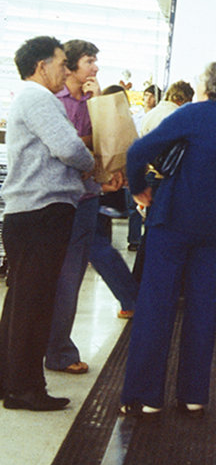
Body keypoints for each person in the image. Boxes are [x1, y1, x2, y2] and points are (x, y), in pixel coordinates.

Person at [120, 61, 216, 417]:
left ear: (208, 86)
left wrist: (139, 190)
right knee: (202, 306)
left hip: (174, 218)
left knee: (157, 303)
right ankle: (194, 394)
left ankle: (146, 395)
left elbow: (137, 152)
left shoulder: (193, 114)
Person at [0, 37, 94, 411]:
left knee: (21, 301)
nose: (66, 71)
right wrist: (93, 166)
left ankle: (10, 380)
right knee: (35, 303)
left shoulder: (28, 98)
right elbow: (68, 148)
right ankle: (26, 389)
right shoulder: (39, 98)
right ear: (41, 66)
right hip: (43, 212)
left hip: (29, 213)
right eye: (61, 64)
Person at [46, 39, 134, 376]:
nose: (95, 68)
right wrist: (88, 144)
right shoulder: (54, 101)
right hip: (55, 199)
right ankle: (50, 349)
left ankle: (59, 350)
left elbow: (110, 142)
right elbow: (64, 144)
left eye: (96, 61)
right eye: (88, 61)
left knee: (70, 277)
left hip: (86, 198)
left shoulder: (95, 102)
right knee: (53, 278)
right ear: (68, 66)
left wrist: (98, 104)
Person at [130, 81, 195, 251]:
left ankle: (141, 271)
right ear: (183, 99)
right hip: (166, 180)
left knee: (150, 228)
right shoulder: (177, 116)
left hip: (150, 176)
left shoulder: (151, 114)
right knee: (163, 231)